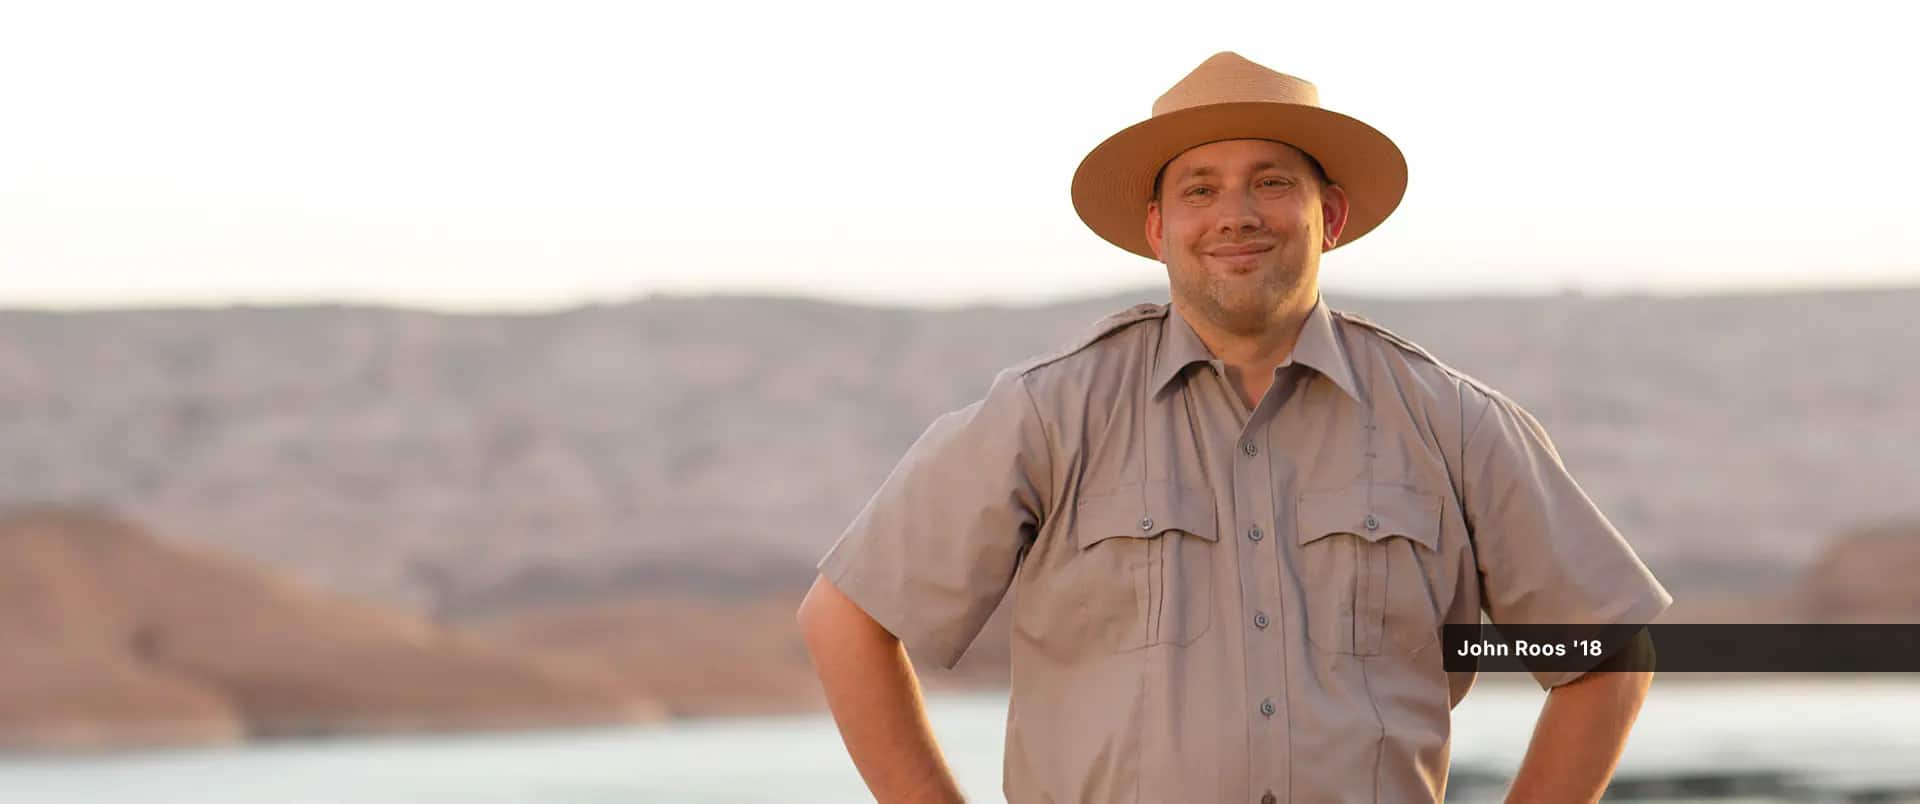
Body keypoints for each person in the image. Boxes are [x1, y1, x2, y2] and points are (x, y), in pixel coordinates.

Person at [795, 51, 1670, 804]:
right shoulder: (1047, 415)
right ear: (1158, 229)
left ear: (1330, 216)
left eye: (1271, 182)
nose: (1236, 214)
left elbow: (1606, 650)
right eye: (1200, 188)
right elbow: (846, 617)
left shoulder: (1454, 424)